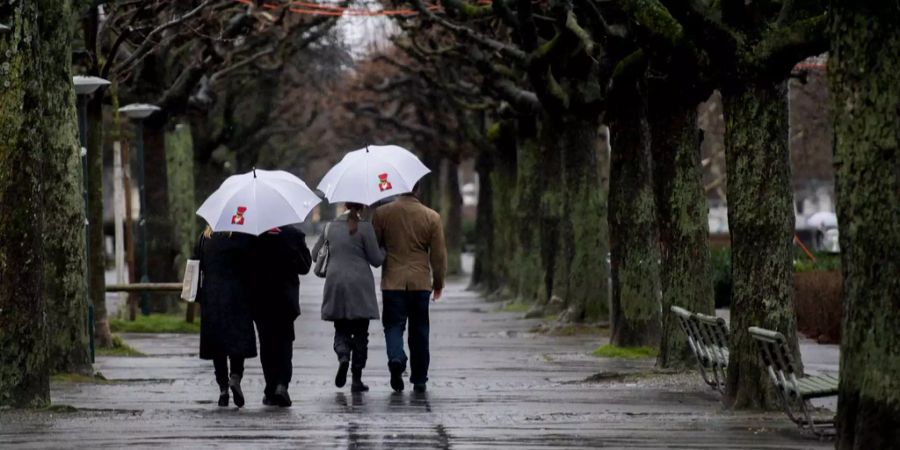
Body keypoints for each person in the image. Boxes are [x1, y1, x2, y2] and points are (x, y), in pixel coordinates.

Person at [372, 185, 447, 393]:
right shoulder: (432, 217)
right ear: (419, 190)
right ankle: (420, 378)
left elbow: (375, 247)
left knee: (393, 326)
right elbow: (438, 256)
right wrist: (438, 283)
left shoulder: (382, 213)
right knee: (420, 330)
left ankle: (396, 357)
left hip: (392, 282)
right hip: (420, 282)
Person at [312, 203, 385, 393]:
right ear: (362, 207)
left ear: (344, 205)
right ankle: (356, 380)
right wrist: (384, 248)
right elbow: (377, 260)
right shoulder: (365, 228)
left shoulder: (330, 227)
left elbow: (314, 255)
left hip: (336, 284)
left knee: (341, 328)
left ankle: (343, 355)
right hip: (360, 286)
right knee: (361, 333)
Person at [193, 226, 257, 408]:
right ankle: (235, 377)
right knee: (237, 341)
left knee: (217, 346)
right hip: (238, 295)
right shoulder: (243, 238)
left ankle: (222, 389)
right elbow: (252, 265)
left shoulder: (204, 239)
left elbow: (197, 265)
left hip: (212, 296)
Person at [252, 224, 312, 407]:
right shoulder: (294, 234)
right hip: (285, 298)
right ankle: (281, 385)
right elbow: (305, 266)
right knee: (285, 342)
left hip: (261, 298)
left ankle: (271, 387)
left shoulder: (255, 234)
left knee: (267, 344)